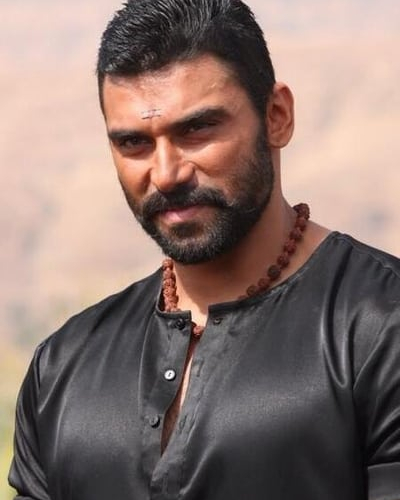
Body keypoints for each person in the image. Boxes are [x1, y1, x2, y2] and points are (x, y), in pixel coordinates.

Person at [9, 0, 400, 499]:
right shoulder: (63, 367)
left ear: (277, 117)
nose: (166, 173)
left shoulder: (381, 328)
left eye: (196, 130)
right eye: (133, 143)